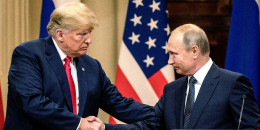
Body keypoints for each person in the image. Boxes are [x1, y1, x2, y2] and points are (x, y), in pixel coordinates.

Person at [3, 2, 153, 130]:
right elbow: (32, 102)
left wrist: (163, 113)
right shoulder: (29, 54)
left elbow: (118, 103)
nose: (89, 40)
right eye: (82, 34)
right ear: (60, 35)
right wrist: (79, 123)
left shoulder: (91, 65)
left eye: (89, 33)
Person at [113, 24, 260, 129]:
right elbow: (149, 125)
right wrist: (103, 128)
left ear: (195, 51)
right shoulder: (172, 89)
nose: (169, 61)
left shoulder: (232, 84)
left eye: (174, 54)